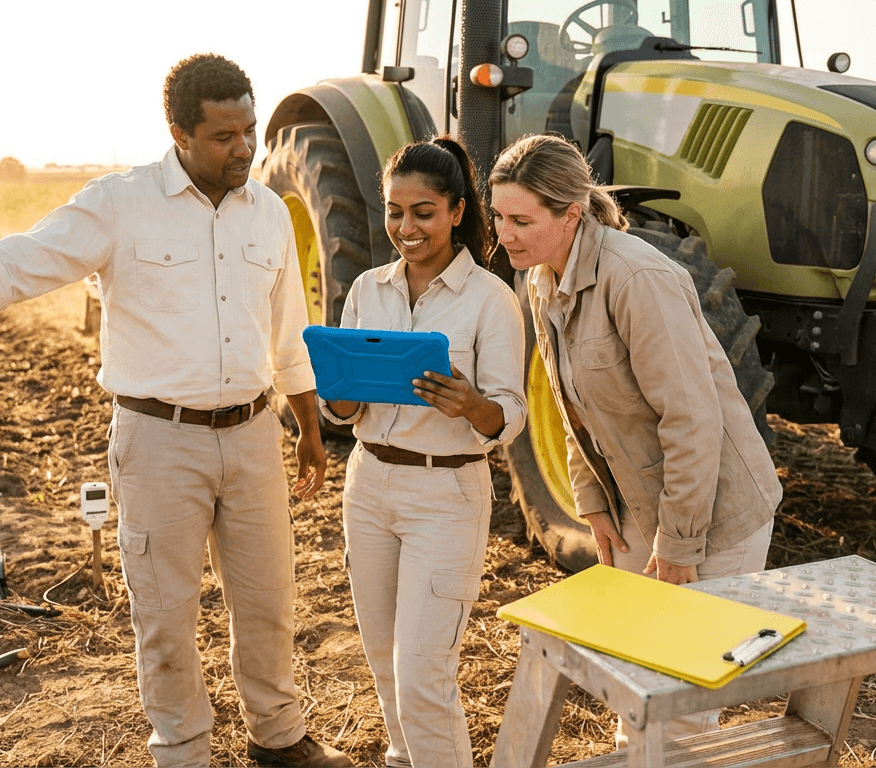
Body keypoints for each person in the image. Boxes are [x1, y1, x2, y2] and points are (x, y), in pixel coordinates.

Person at [0, 54, 351, 768]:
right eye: (225, 135)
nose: (243, 148)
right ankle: (183, 752)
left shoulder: (266, 213)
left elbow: (287, 331)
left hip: (253, 432)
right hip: (160, 440)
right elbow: (21, 262)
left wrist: (308, 428)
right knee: (165, 615)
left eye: (249, 130)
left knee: (268, 603)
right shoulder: (121, 203)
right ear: (179, 132)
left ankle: (278, 738)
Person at [488, 134, 782, 738]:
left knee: (682, 710)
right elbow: (573, 407)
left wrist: (679, 544)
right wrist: (592, 503)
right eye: (498, 216)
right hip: (634, 508)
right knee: (638, 692)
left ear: (572, 214)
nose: (504, 234)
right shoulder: (542, 279)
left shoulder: (638, 277)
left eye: (521, 219)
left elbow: (692, 419)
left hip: (712, 512)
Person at [320, 137, 526, 768]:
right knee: (384, 665)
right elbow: (345, 412)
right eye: (394, 211)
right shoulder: (366, 289)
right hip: (369, 484)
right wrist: (342, 397)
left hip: (447, 495)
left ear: (457, 211)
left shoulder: (490, 299)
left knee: (423, 682)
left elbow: (509, 415)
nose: (404, 228)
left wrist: (470, 406)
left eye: (423, 213)